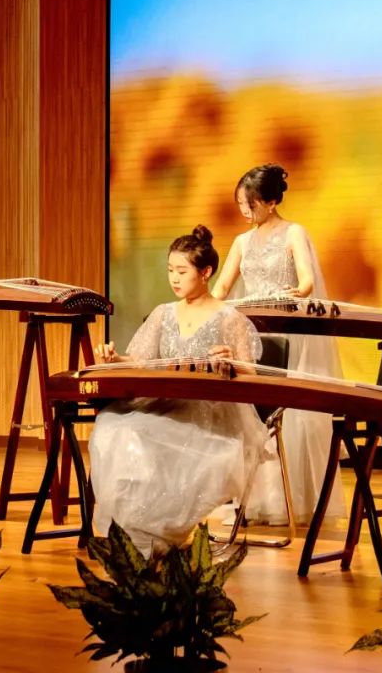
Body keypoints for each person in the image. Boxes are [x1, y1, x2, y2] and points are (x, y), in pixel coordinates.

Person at [89, 225, 270, 556]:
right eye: (170, 270)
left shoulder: (229, 318)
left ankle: (157, 536)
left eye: (182, 271)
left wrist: (231, 362)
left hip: (209, 411)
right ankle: (134, 533)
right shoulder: (163, 313)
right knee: (114, 426)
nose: (174, 278)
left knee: (176, 447)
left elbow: (251, 372)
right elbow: (140, 361)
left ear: (206, 272)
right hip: (164, 403)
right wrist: (115, 359)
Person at [211, 163, 346, 524]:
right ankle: (253, 500)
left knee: (290, 414)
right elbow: (222, 286)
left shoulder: (294, 233)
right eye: (241, 204)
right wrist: (206, 305)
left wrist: (295, 292)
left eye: (250, 204)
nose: (244, 211)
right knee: (249, 409)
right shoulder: (241, 242)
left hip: (286, 329)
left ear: (270, 202)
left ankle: (291, 500)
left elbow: (306, 280)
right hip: (251, 330)